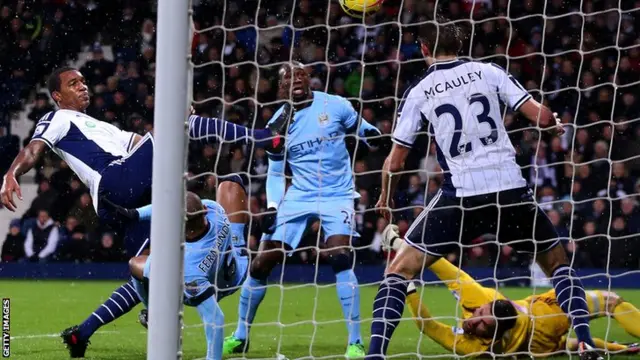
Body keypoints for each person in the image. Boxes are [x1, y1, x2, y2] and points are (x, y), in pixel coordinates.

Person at [367, 17, 602, 360]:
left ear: (424, 49)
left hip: (461, 195)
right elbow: (539, 116)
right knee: (557, 266)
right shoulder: (488, 71)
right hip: (509, 187)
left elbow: (396, 160)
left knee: (398, 272)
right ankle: (585, 340)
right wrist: (552, 127)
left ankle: (375, 354)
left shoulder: (419, 90)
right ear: (460, 46)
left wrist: (385, 198)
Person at [223, 62, 382, 358]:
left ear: (308, 80)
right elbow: (274, 172)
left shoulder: (335, 105)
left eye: (300, 75)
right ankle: (241, 335)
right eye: (288, 78)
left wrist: (372, 136)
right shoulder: (277, 124)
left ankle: (355, 342)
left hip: (337, 194)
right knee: (261, 264)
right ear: (281, 88)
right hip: (298, 196)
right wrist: (272, 206)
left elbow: (363, 128)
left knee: (340, 257)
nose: (295, 80)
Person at [61, 175, 250, 359]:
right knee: (232, 182)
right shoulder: (214, 210)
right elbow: (183, 206)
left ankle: (153, 314)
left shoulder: (189, 265)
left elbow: (216, 319)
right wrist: (135, 214)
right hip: (237, 262)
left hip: (207, 285)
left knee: (139, 267)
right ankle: (85, 331)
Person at [383, 226, 640, 356]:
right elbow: (444, 267)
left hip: (542, 331)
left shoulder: (476, 347)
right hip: (548, 314)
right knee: (610, 302)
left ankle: (621, 348)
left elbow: (428, 326)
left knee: (564, 345)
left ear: (495, 334)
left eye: (482, 322)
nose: (475, 321)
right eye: (482, 317)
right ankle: (622, 346)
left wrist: (408, 283)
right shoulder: (484, 301)